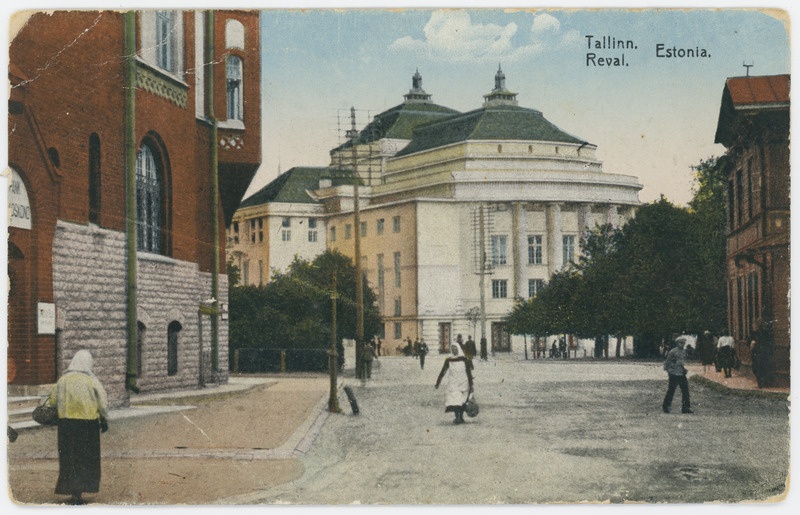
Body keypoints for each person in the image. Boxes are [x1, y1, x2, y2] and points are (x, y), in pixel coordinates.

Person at [45, 350, 109, 504]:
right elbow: (102, 402)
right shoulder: (91, 380)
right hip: (88, 425)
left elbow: (52, 401)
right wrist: (104, 418)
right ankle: (81, 490)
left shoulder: (63, 380)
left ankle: (72, 491)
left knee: (69, 458)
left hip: (66, 425)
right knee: (87, 459)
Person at [435, 342, 474, 424]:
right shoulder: (449, 359)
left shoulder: (464, 359)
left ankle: (461, 417)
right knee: (455, 401)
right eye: (452, 348)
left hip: (463, 382)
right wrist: (438, 382)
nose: (454, 350)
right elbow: (443, 371)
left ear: (458, 349)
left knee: (462, 400)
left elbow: (468, 372)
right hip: (453, 383)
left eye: (455, 348)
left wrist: (471, 384)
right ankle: (457, 417)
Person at [662, 337, 693, 414]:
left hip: (681, 373)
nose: (682, 344)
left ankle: (686, 408)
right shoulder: (672, 352)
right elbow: (667, 363)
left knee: (685, 391)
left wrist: (684, 369)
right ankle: (666, 407)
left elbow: (681, 362)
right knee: (671, 390)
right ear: (677, 343)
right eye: (681, 343)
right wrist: (670, 371)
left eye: (683, 343)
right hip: (673, 374)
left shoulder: (683, 352)